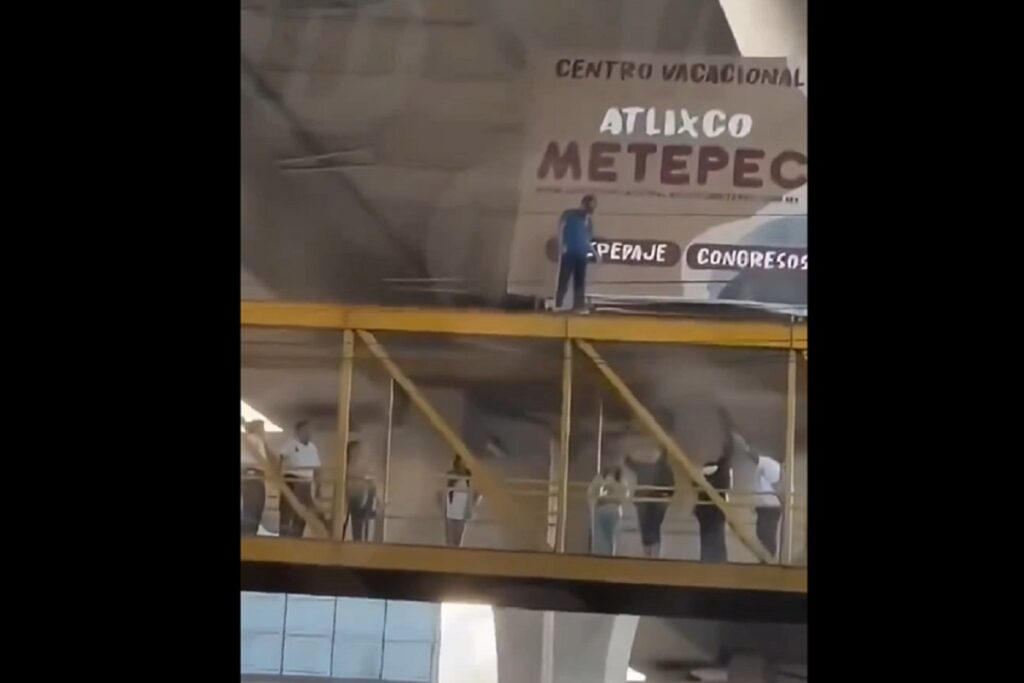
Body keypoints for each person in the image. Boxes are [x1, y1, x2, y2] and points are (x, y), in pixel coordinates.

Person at [694, 408, 735, 563]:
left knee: (709, 540)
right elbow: (729, 451)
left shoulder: (712, 470)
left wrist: (724, 421)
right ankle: (716, 564)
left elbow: (728, 451)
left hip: (708, 512)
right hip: (714, 512)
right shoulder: (721, 470)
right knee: (714, 540)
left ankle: (710, 564)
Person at [737, 431, 783, 559]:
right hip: (764, 507)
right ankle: (766, 560)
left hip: (770, 507)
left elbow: (754, 457)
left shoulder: (769, 463)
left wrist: (743, 447)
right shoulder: (762, 467)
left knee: (766, 534)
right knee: (762, 534)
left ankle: (769, 561)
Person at [624, 445, 675, 559]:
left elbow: (630, 463)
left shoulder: (647, 468)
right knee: (655, 527)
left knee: (646, 527)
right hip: (658, 501)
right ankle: (654, 555)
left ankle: (648, 555)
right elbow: (672, 488)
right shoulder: (666, 469)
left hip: (645, 501)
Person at [278, 420, 321, 538]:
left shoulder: (313, 448)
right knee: (287, 511)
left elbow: (317, 468)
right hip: (292, 480)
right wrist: (278, 477)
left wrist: (318, 488)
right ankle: (283, 538)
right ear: (298, 431)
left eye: (309, 430)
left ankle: (297, 537)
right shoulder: (290, 444)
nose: (308, 433)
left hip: (306, 483)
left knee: (303, 513)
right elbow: (280, 458)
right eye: (305, 430)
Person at [555, 194, 598, 311]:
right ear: (583, 204)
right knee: (564, 278)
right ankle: (559, 303)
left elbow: (587, 239)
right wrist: (561, 245)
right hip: (569, 252)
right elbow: (560, 228)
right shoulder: (568, 214)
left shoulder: (588, 220)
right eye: (588, 208)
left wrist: (594, 253)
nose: (588, 212)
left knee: (580, 281)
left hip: (581, 253)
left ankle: (578, 304)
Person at [587, 465, 629, 556]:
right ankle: (608, 555)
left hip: (607, 509)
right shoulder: (620, 482)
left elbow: (591, 492)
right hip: (609, 509)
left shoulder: (600, 480)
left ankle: (606, 555)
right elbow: (624, 496)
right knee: (609, 536)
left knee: (606, 536)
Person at [345, 441, 377, 542]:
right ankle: (358, 540)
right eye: (358, 450)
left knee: (371, 486)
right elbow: (351, 480)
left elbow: (370, 480)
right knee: (357, 524)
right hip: (354, 498)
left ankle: (362, 538)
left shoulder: (362, 466)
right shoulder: (348, 466)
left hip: (363, 498)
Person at [443, 456, 478, 547]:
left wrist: (473, 504)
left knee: (459, 540)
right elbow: (446, 491)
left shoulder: (468, 476)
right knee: (450, 540)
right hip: (451, 510)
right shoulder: (451, 475)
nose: (462, 466)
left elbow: (473, 492)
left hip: (462, 511)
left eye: (463, 464)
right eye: (460, 464)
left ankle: (456, 556)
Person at [240, 419, 267, 536]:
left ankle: (250, 535)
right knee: (253, 509)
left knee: (254, 508)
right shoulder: (253, 439)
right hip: (253, 475)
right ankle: (248, 536)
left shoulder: (257, 440)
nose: (264, 431)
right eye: (262, 428)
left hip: (255, 476)